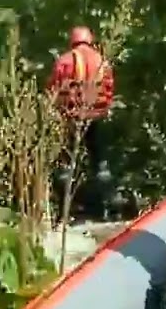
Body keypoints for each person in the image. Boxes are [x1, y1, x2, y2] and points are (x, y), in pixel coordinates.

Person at [46, 26, 115, 220]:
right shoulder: (102, 60)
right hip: (96, 118)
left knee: (66, 164)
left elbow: (53, 87)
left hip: (72, 118)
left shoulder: (65, 60)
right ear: (90, 39)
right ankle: (107, 209)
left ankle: (64, 213)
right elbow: (109, 88)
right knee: (100, 163)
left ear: (73, 40)